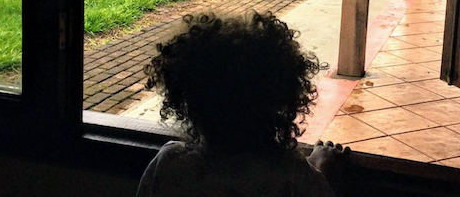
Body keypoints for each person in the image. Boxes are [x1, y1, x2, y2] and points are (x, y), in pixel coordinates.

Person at [136, 11, 350, 197]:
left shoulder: (170, 163)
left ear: (186, 103)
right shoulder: (292, 174)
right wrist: (323, 167)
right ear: (282, 101)